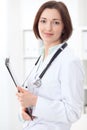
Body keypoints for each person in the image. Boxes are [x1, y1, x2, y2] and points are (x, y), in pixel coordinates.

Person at [16, 1, 84, 130]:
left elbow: (73, 112)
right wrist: (24, 110)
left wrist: (34, 101)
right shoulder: (42, 57)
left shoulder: (70, 61)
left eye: (56, 22)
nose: (48, 28)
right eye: (43, 21)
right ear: (37, 23)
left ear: (64, 26)